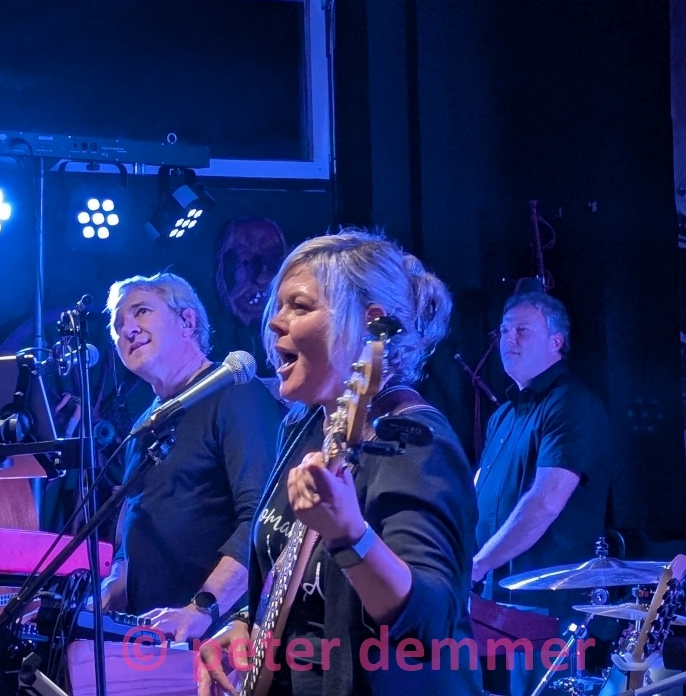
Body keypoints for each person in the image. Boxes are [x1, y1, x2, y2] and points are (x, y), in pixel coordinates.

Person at [197, 230, 482, 696]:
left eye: (299, 306)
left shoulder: (413, 441)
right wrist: (248, 621)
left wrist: (350, 535)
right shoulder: (306, 424)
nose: (275, 322)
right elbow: (296, 576)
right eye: (278, 306)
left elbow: (431, 622)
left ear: (371, 324)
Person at [100, 272, 281, 642]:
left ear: (187, 321)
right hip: (153, 637)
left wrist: (203, 607)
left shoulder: (236, 394)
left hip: (222, 635)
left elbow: (263, 519)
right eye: (117, 325)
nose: (127, 329)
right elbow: (132, 536)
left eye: (141, 311)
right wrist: (104, 595)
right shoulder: (146, 425)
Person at [472, 291, 610, 696]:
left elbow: (546, 501)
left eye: (522, 330)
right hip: (496, 599)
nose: (508, 339)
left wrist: (477, 564)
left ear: (556, 341)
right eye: (504, 330)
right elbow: (478, 496)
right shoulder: (503, 414)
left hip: (546, 603)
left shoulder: (570, 404)